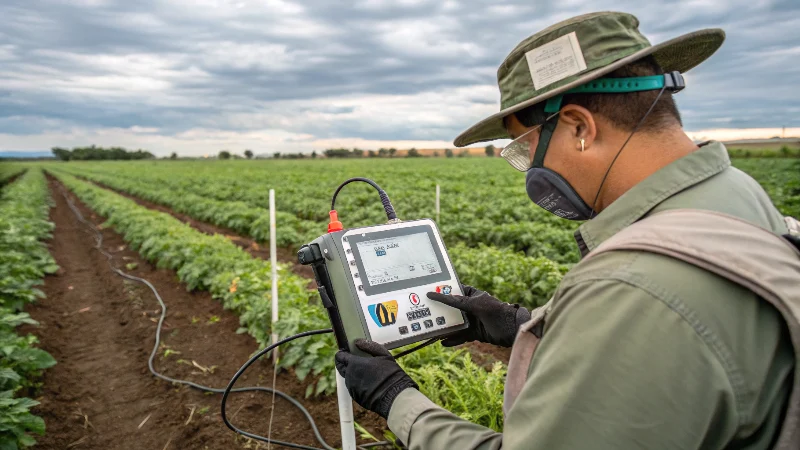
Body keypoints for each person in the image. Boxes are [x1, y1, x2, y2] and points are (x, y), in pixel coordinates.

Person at [335, 11, 795, 449]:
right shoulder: (738, 197)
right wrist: (521, 326)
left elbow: (646, 315)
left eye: (527, 147)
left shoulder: (631, 287)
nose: (531, 168)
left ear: (579, 128)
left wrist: (395, 397)